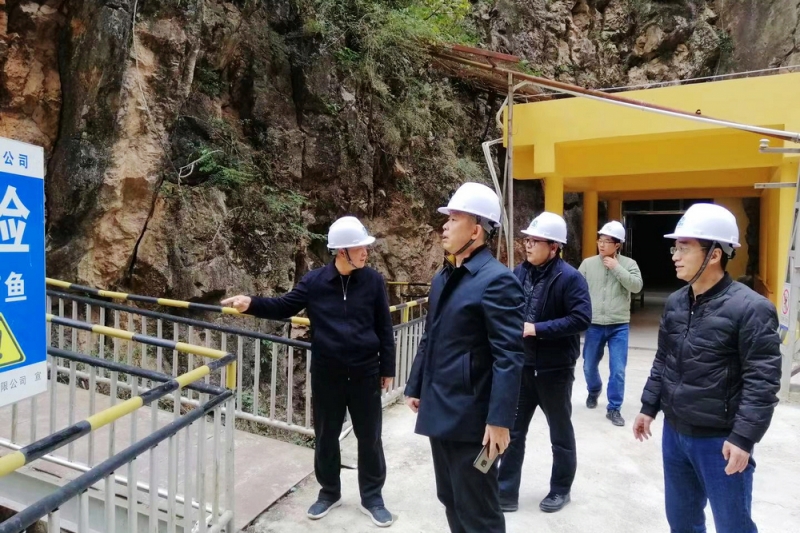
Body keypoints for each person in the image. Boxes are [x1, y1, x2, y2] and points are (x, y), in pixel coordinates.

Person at [222, 216, 395, 528]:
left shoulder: (373, 281)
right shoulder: (315, 282)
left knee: (370, 437)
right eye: (359, 247)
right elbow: (283, 306)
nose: (366, 252)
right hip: (327, 374)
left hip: (366, 373)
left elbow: (384, 327)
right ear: (341, 251)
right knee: (326, 436)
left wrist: (388, 368)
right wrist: (251, 303)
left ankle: (372, 497)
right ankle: (329, 492)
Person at [633, 203, 782, 533]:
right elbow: (664, 359)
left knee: (733, 526)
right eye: (675, 248)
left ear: (714, 254)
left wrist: (743, 438)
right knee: (681, 521)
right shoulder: (676, 302)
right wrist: (648, 406)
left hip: (720, 441)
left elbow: (762, 381)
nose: (675, 256)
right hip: (675, 434)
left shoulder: (751, 308)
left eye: (684, 248)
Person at [404, 182, 525, 533]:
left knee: (478, 508)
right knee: (450, 498)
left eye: (454, 218)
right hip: (440, 407)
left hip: (473, 419)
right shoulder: (445, 277)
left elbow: (509, 356)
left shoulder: (497, 281)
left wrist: (499, 421)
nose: (445, 226)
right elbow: (431, 335)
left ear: (476, 230)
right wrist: (416, 385)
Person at [497, 211, 591, 514]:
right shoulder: (519, 273)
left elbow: (581, 318)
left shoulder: (570, 278)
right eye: (527, 240)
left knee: (560, 434)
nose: (528, 245)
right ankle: (504, 492)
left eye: (535, 241)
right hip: (522, 367)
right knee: (512, 432)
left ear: (554, 247)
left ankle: (560, 490)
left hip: (555, 371)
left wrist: (537, 329)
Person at [578, 220, 643, 426]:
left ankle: (614, 408)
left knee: (618, 369)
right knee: (588, 365)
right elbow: (575, 288)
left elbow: (636, 287)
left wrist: (616, 268)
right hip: (594, 324)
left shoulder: (629, 264)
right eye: (600, 240)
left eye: (607, 241)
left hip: (618, 325)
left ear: (617, 245)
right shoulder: (588, 264)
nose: (601, 244)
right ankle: (594, 389)